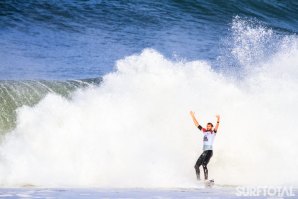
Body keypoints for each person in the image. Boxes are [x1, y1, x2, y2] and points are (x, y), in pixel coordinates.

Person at [189, 111, 220, 181]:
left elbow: (217, 127)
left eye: (209, 126)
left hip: (209, 151)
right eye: (207, 126)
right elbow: (197, 124)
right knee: (196, 166)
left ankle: (206, 180)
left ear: (211, 127)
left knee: (204, 164)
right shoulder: (204, 131)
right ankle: (198, 180)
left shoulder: (213, 133)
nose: (208, 127)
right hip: (204, 151)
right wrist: (192, 116)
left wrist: (218, 120)